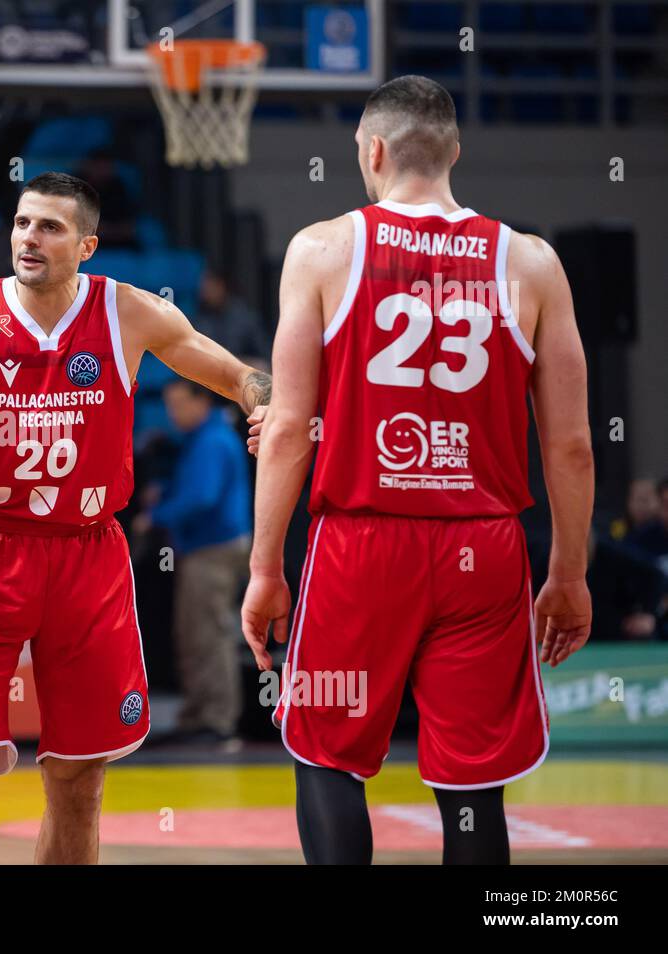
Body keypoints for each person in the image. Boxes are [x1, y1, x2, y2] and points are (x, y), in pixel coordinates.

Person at [242, 75, 594, 865]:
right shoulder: (531, 262)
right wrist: (569, 572)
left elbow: (291, 427)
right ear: (454, 154)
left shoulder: (324, 248)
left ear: (372, 152)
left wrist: (266, 566)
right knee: (473, 782)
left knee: (328, 753)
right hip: (484, 549)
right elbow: (569, 445)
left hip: (359, 547)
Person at [0, 172, 270, 864]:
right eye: (23, 223)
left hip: (89, 556)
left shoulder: (129, 313)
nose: (29, 237)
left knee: (79, 781)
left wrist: (261, 401)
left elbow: (235, 375)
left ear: (86, 244)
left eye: (50, 227)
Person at [138, 378, 252, 749]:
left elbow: (202, 497)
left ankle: (216, 722)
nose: (174, 413)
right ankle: (200, 716)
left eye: (180, 404)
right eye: (169, 405)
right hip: (207, 548)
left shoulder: (213, 440)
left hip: (214, 549)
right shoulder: (204, 438)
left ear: (202, 401)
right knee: (196, 634)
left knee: (209, 635)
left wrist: (156, 515)